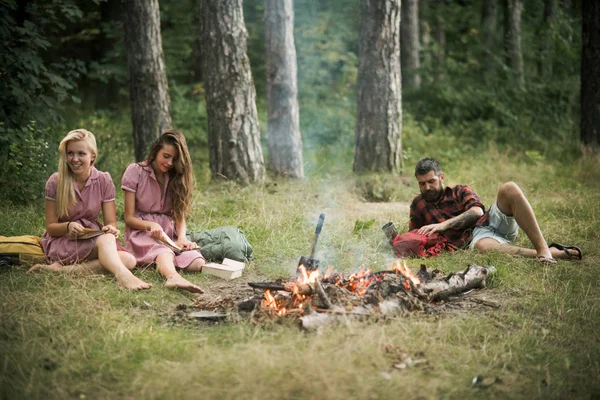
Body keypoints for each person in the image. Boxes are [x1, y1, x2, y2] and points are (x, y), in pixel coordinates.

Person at [28, 129, 152, 290]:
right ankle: (123, 276)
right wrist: (68, 226)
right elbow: (51, 228)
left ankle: (61, 271)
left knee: (129, 260)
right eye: (70, 153)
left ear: (92, 156)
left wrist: (111, 229)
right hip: (63, 242)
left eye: (81, 153)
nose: (75, 159)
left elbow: (111, 222)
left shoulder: (103, 180)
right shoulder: (56, 181)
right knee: (110, 246)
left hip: (91, 239)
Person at [408, 158, 582, 264]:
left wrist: (442, 225)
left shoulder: (459, 190)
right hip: (475, 240)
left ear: (441, 177)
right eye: (422, 184)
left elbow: (476, 212)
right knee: (482, 246)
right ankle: (554, 253)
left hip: (489, 223)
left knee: (509, 188)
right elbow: (414, 236)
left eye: (431, 181)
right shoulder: (418, 205)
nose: (427, 187)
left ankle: (544, 249)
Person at [122, 129, 206, 293]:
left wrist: (181, 238)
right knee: (164, 252)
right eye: (166, 156)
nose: (169, 163)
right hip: (141, 232)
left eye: (174, 159)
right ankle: (172, 277)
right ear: (155, 151)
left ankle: (163, 261)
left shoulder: (175, 177)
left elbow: (179, 215)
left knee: (197, 262)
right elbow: (128, 218)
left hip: (168, 235)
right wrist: (150, 224)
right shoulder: (135, 171)